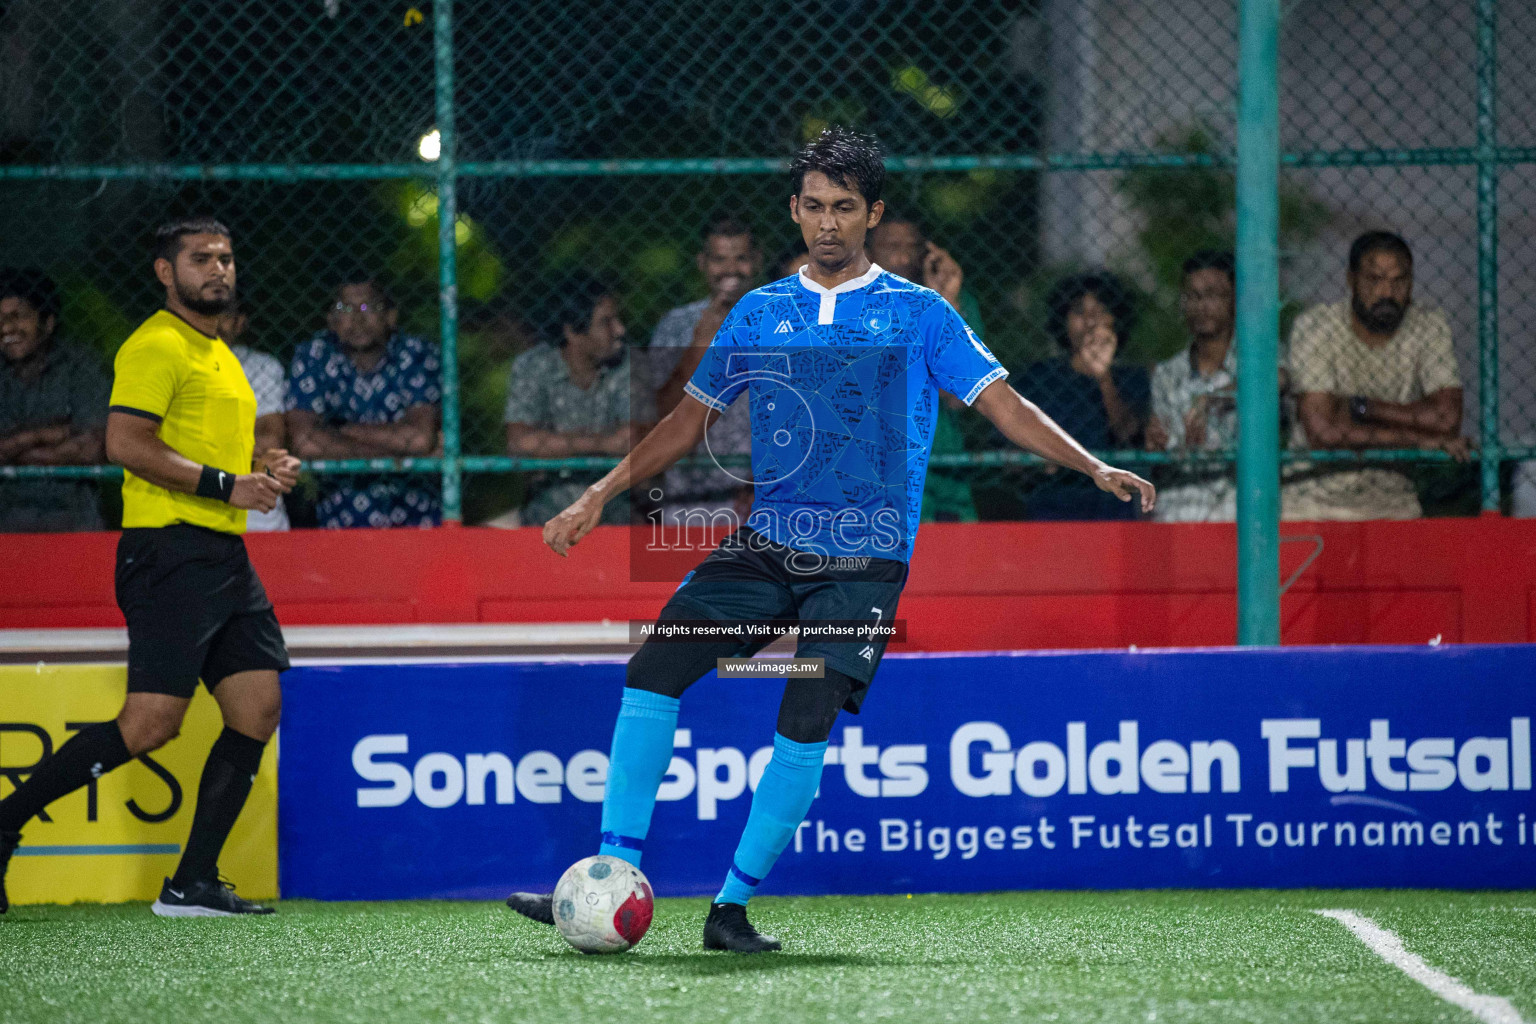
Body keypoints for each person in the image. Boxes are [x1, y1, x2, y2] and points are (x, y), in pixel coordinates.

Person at [503, 127, 1154, 952]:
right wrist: (602, 491)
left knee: (805, 717)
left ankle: (730, 910)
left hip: (864, 560)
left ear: (873, 214)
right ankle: (609, 877)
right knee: (653, 669)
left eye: (846, 207)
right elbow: (685, 420)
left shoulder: (921, 315)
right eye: (813, 206)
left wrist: (1094, 465)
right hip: (767, 544)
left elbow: (1003, 404)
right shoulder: (761, 310)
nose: (828, 223)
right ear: (795, 210)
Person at [0, 218, 300, 916]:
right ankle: (6, 820)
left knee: (257, 708)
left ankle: (192, 881)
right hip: (168, 550)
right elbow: (125, 443)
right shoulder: (154, 344)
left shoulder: (217, 351)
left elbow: (206, 447)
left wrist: (262, 465)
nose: (219, 270)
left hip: (223, 552)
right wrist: (230, 486)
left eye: (226, 257)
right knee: (149, 725)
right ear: (166, 272)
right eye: (201, 259)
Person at [1283, 231, 1466, 520]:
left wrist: (1362, 408)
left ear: (1411, 282)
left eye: (1399, 281)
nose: (1387, 293)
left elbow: (1446, 419)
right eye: (1374, 279)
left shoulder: (1428, 324)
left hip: (1393, 501)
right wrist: (1421, 439)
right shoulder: (1316, 326)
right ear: (1351, 280)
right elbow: (1323, 434)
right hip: (1313, 501)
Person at [285, 274, 442, 528]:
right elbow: (306, 443)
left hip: (417, 516)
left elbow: (419, 438)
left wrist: (336, 429)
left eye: (369, 307)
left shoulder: (416, 353)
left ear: (391, 316)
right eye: (344, 308)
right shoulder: (314, 355)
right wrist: (402, 455)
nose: (357, 319)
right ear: (331, 320)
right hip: (339, 520)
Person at [504, 276, 648, 527]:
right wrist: (605, 442)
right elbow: (521, 442)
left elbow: (635, 438)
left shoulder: (628, 364)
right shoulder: (534, 366)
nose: (620, 330)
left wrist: (555, 444)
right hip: (547, 510)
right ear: (573, 332)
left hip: (617, 509)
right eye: (606, 322)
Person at [867, 214, 982, 522]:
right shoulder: (848, 305)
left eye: (912, 247)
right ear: (868, 252)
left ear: (927, 252)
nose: (903, 257)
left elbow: (958, 397)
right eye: (891, 247)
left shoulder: (955, 303)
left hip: (942, 474)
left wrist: (948, 305)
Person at [647, 215, 760, 527]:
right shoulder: (676, 325)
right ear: (702, 263)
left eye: (742, 258)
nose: (731, 270)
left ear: (757, 261)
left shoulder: (778, 322)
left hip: (757, 498)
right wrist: (697, 349)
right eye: (719, 259)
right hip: (686, 497)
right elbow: (658, 416)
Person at [1014, 271, 1149, 519]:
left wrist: (1104, 376)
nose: (1090, 321)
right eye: (1078, 312)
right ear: (1062, 320)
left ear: (1116, 319)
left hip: (1115, 505)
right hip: (1050, 506)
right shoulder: (1038, 378)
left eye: (1100, 311)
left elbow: (1129, 433)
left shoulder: (1132, 377)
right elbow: (1012, 453)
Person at [0, 268, 109, 532]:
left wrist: (15, 445)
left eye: (18, 317)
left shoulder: (81, 367)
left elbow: (91, 449)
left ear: (47, 322)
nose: (6, 328)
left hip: (71, 515)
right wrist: (50, 434)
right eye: (0, 319)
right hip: (6, 514)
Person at [1146, 251, 1241, 522]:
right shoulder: (1167, 373)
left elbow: (1280, 380)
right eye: (1193, 296)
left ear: (1234, 298)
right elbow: (1160, 450)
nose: (1201, 305)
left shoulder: (1257, 361)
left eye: (1212, 295)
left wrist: (1214, 398)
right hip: (1179, 505)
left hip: (1238, 502)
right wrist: (1156, 444)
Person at [219, 306, 289, 531]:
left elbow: (269, 443)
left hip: (258, 515)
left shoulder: (261, 366)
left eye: (225, 314)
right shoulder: (168, 364)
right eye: (206, 313)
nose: (215, 322)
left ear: (240, 323)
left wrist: (196, 452)